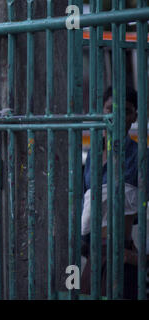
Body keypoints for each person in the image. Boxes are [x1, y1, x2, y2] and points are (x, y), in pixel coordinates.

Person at [80, 86, 146, 299]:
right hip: (93, 255)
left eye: (125, 111)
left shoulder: (140, 157)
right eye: (111, 109)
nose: (117, 117)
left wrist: (133, 257)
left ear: (134, 116)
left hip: (122, 257)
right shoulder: (93, 155)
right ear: (102, 111)